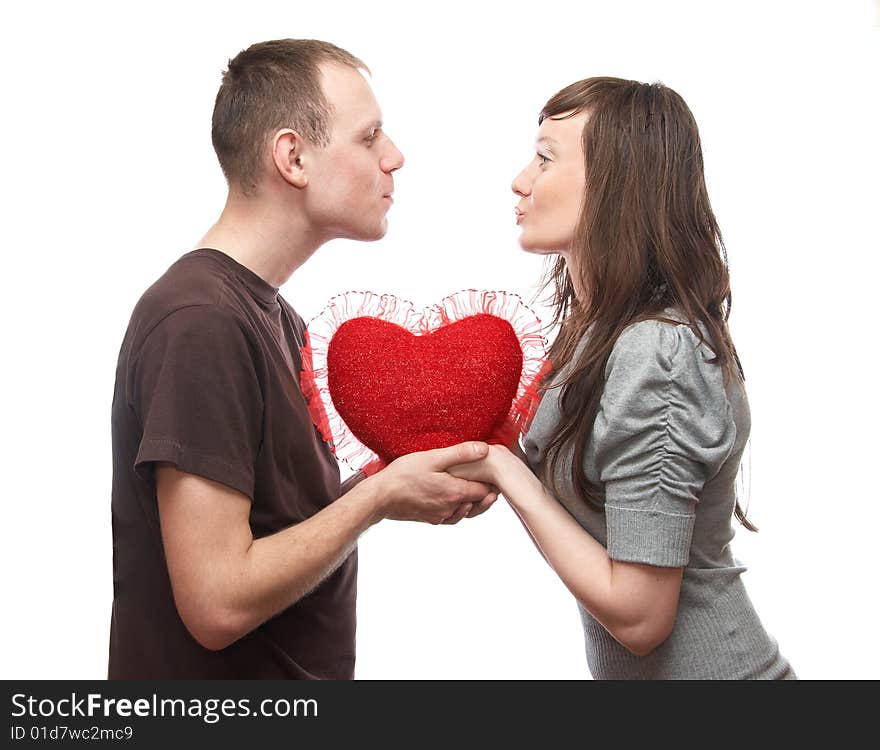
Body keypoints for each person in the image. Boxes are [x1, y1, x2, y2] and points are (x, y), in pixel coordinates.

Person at [109, 39, 497, 680]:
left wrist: (394, 483)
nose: (395, 157)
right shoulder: (200, 322)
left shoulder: (273, 318)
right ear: (292, 157)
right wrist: (375, 501)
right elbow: (217, 601)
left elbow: (275, 527)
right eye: (370, 137)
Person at [450, 77, 796, 679]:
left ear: (616, 187)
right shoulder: (597, 330)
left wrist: (503, 469)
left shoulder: (656, 351)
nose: (520, 180)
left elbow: (640, 618)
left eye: (545, 157)